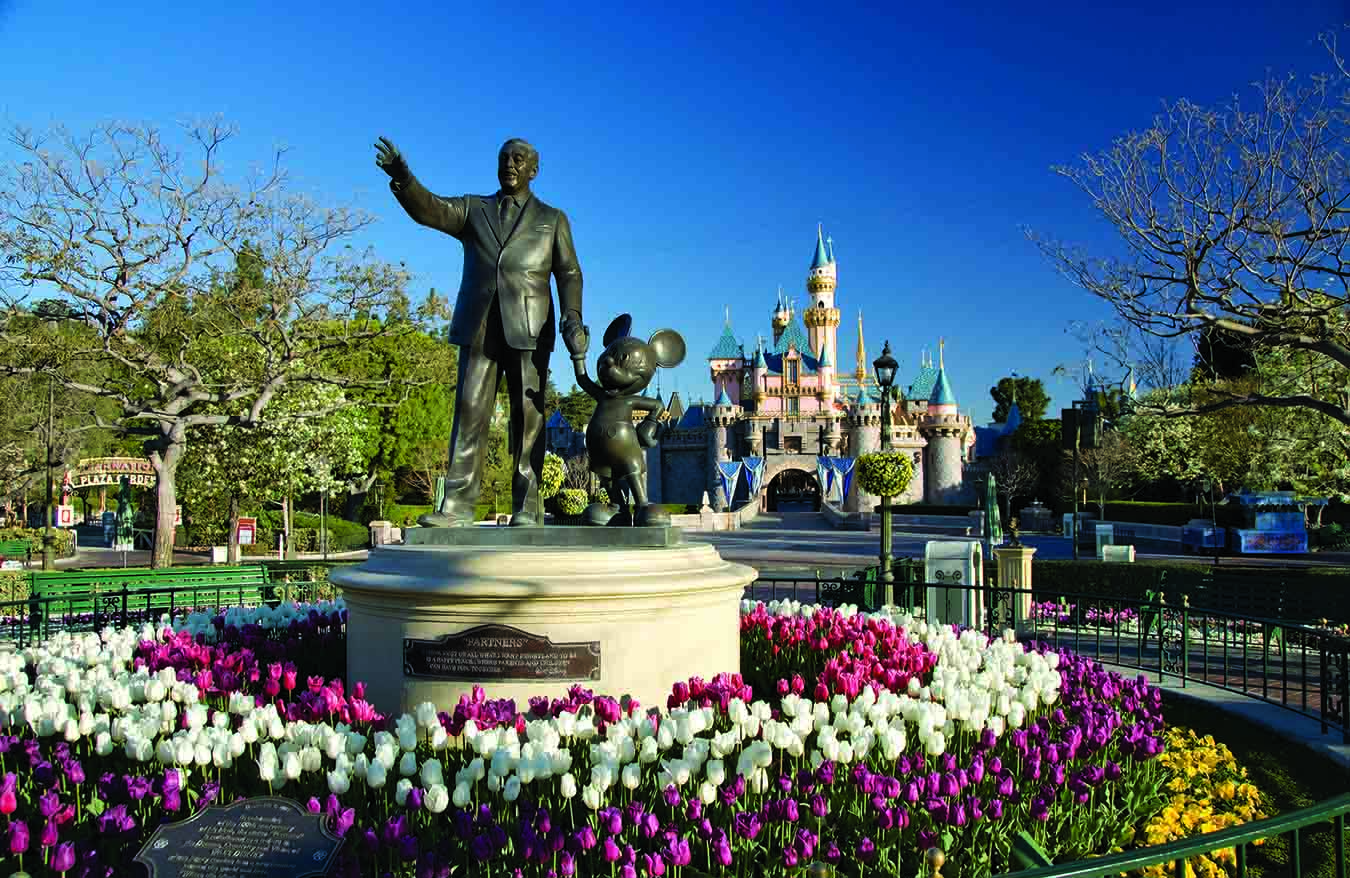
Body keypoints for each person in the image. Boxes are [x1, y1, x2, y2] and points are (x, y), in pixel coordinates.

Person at [376, 136, 589, 526]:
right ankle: (456, 506)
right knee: (469, 413)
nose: (509, 164)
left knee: (529, 419)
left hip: (530, 327)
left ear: (533, 170)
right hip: (479, 327)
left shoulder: (552, 218)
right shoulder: (475, 209)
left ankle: (527, 506)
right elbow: (432, 210)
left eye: (518, 159)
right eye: (504, 158)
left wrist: (572, 317)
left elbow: (570, 272)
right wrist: (404, 178)